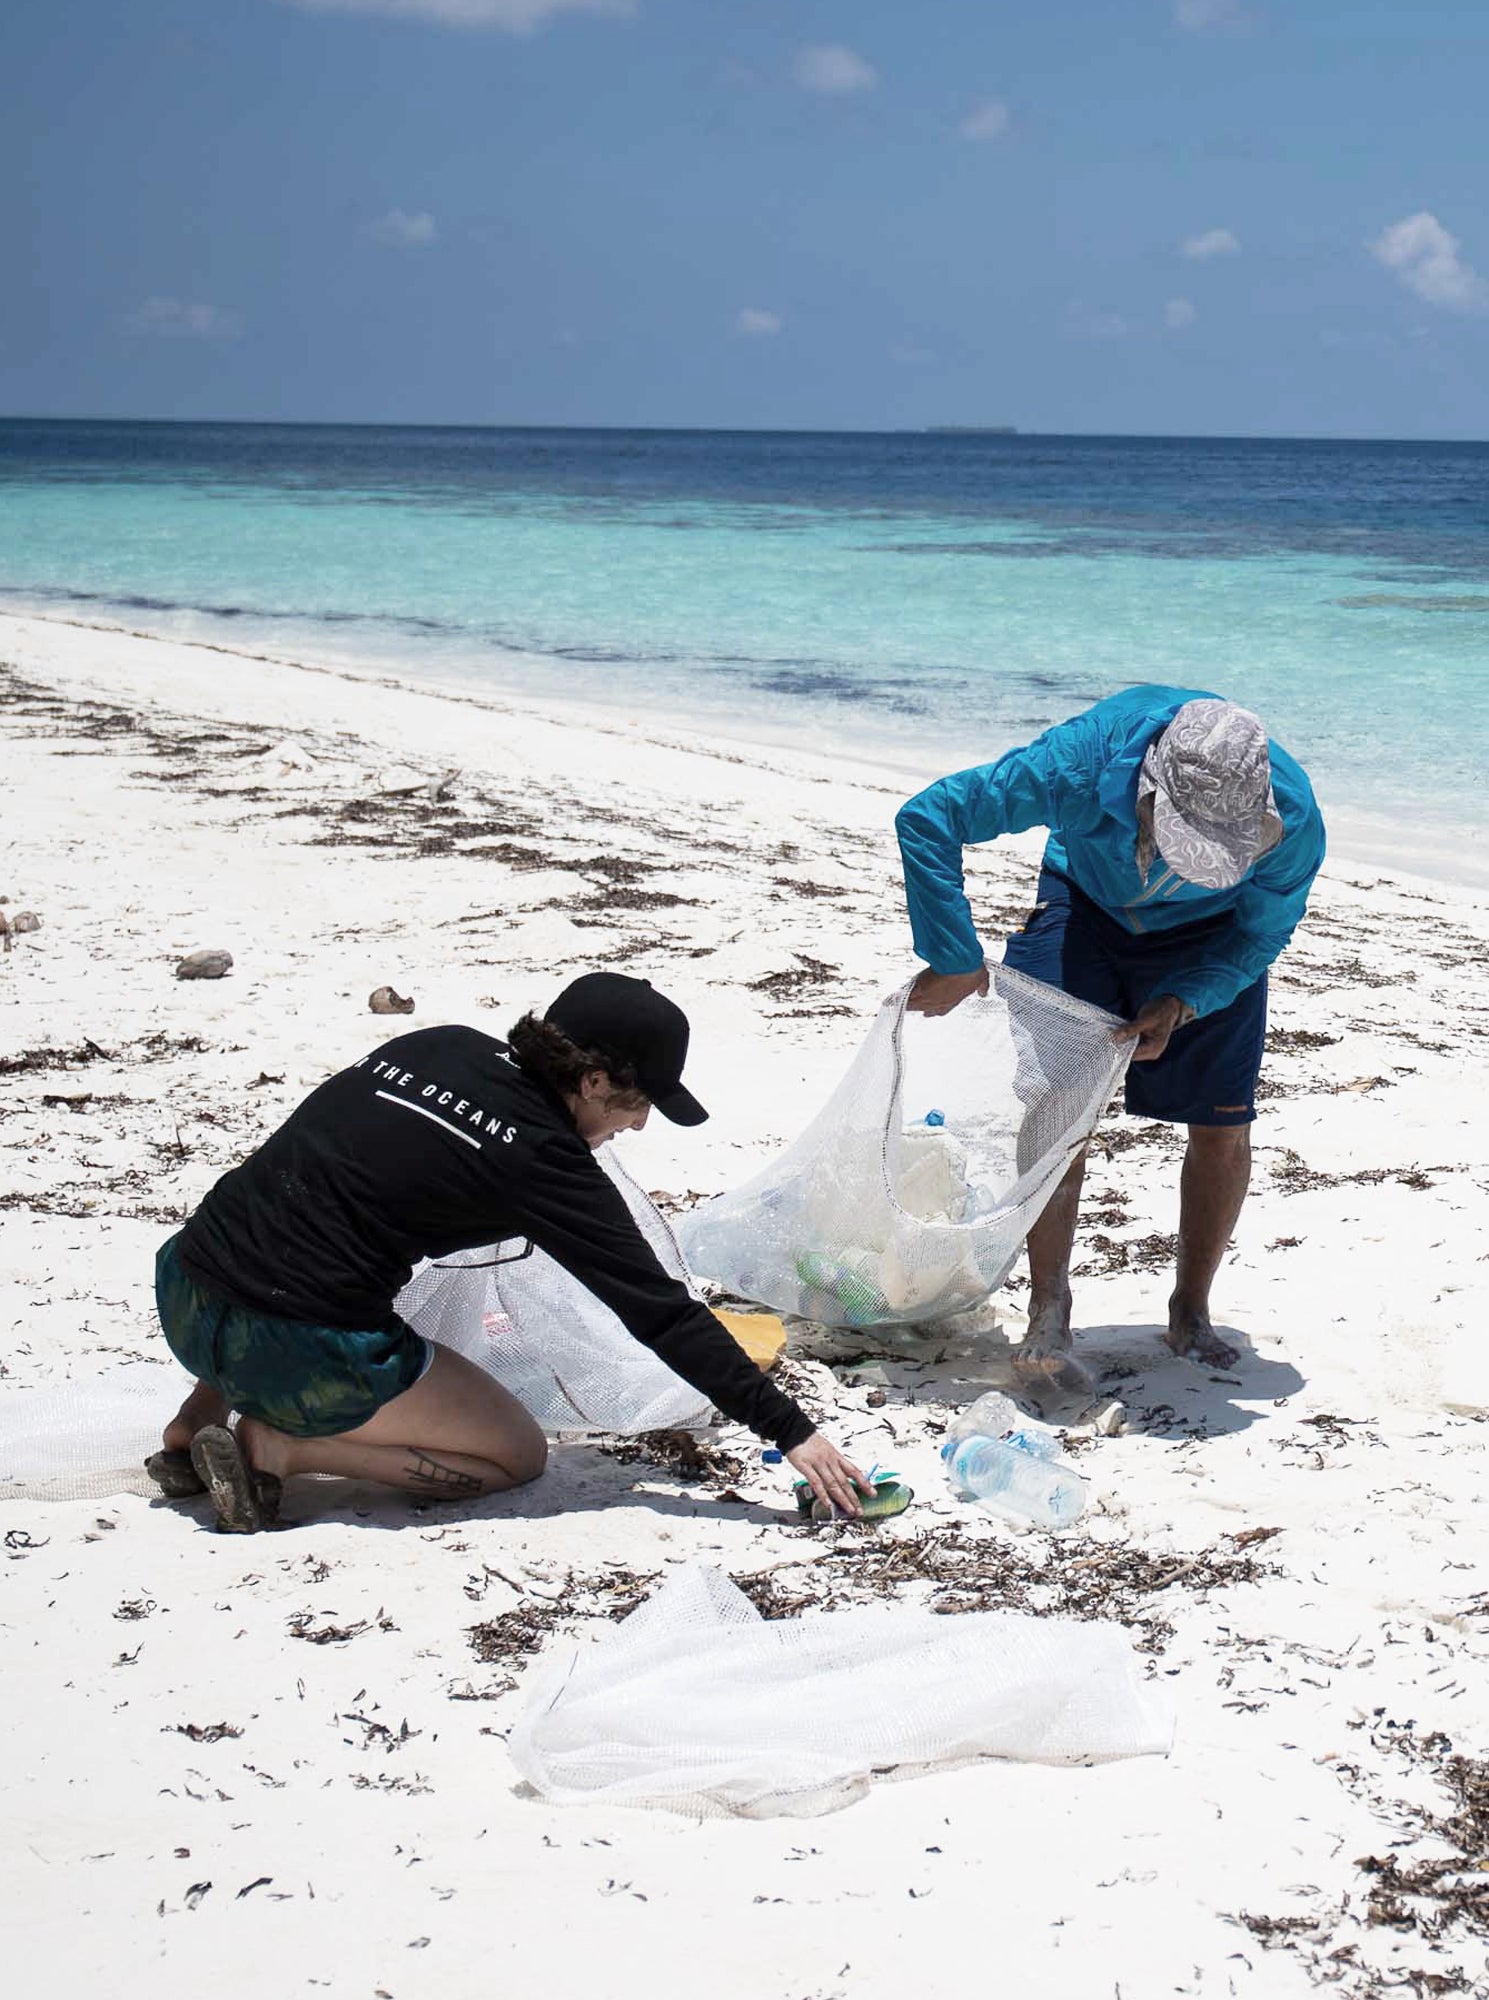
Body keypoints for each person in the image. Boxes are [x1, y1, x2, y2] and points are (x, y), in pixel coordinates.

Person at [149, 972, 868, 1532]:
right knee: (515, 1455)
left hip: (187, 1284)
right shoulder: (544, 1161)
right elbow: (662, 1315)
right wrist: (792, 1432)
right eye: (637, 1101)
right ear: (591, 1083)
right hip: (294, 1350)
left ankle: (193, 1426)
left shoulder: (436, 1045)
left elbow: (316, 1187)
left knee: (298, 1234)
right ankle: (277, 1449)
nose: (641, 1123)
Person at [895, 686, 1325, 1384]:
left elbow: (1260, 932)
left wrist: (1186, 1000)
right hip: (1083, 902)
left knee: (1222, 1125)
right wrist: (953, 955)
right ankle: (1049, 1303)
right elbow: (931, 815)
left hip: (1212, 937)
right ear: (1147, 788)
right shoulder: (1073, 764)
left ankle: (1190, 1307)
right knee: (1057, 1107)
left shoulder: (1293, 820)